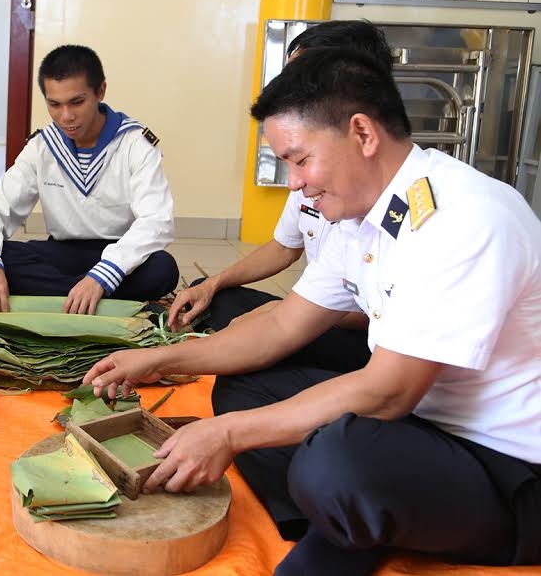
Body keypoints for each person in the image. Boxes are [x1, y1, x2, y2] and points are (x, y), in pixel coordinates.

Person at [84, 47, 541, 575]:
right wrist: (163, 360)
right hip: (428, 429)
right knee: (241, 390)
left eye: (301, 160)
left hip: (510, 467)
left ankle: (353, 513)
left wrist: (231, 435)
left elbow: (389, 391)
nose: (295, 183)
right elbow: (282, 325)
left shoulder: (464, 218)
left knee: (332, 460)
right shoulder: (361, 217)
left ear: (363, 134)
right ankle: (356, 516)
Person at [169, 20, 396, 374]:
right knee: (214, 300)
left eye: (301, 81)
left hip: (357, 335)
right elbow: (285, 246)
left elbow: (379, 322)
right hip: (316, 308)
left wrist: (282, 313)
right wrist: (216, 284)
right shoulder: (313, 172)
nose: (293, 183)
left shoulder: (399, 199)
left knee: (249, 370)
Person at [0, 44, 178, 315]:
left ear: (100, 91)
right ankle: (88, 300)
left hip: (118, 253)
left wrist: (101, 277)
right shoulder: (42, 147)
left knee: (163, 268)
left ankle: (64, 297)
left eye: (77, 102)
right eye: (54, 104)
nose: (66, 116)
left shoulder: (134, 143)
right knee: (2, 256)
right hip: (62, 253)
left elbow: (157, 221)